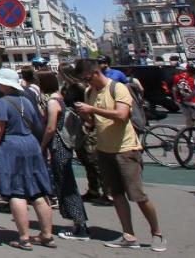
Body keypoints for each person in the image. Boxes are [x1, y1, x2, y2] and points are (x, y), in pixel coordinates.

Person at [73, 58, 165, 251]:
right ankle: (128, 235)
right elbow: (93, 121)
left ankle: (157, 234)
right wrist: (86, 117)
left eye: (86, 78)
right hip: (104, 149)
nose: (86, 83)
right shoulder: (90, 92)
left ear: (96, 72)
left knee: (138, 195)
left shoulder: (118, 88)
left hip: (126, 149)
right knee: (116, 195)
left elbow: (122, 115)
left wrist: (92, 109)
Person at [0, 67, 54, 249]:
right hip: (30, 144)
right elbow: (37, 124)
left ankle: (24, 238)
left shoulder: (2, 102)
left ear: (4, 84)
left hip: (11, 146)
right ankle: (47, 234)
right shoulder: (27, 100)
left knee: (17, 192)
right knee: (38, 191)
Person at [38, 71, 90, 241]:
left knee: (66, 185)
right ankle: (78, 223)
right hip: (62, 146)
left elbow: (51, 127)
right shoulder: (59, 97)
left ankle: (80, 225)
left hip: (58, 146)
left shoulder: (53, 101)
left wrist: (42, 146)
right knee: (65, 183)